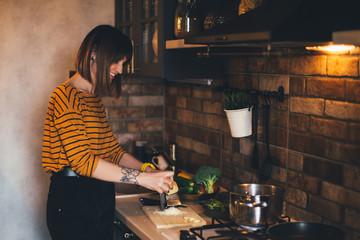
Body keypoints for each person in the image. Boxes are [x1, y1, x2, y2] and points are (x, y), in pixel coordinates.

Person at [42, 25, 174, 240]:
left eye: (123, 63)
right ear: (93, 53)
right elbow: (82, 162)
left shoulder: (92, 100)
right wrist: (141, 179)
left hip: (99, 194)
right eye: (116, 61)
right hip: (72, 201)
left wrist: (146, 169)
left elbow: (112, 151)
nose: (120, 69)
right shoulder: (65, 97)